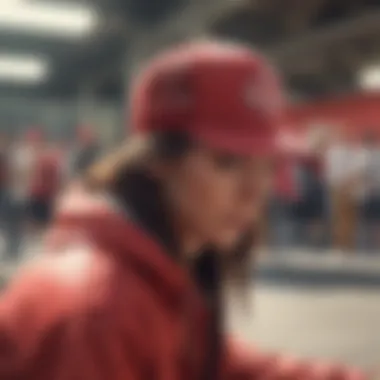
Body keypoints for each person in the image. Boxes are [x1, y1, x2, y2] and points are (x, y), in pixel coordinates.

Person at [0, 41, 368, 380]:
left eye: (270, 165)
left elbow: (217, 364)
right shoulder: (99, 312)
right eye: (228, 162)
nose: (256, 193)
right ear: (158, 160)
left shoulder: (163, 266)